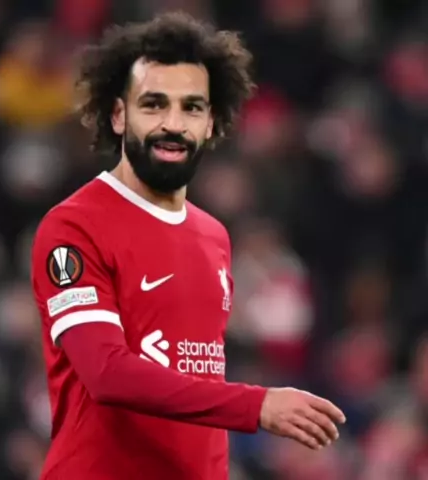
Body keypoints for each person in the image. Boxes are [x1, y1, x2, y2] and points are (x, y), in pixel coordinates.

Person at [31, 11, 345, 480]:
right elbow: (107, 373)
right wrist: (256, 404)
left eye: (192, 107)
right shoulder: (74, 227)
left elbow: (198, 383)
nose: (173, 124)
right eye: (153, 104)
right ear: (118, 115)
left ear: (211, 121)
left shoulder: (213, 235)